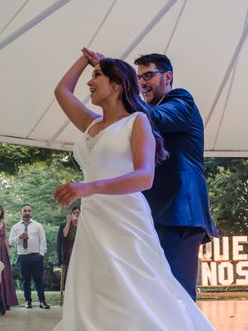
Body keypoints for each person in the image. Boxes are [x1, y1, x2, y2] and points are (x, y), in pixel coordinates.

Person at [20, 50, 230, 331]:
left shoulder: (159, 111)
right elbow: (62, 92)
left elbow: (145, 170)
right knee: (97, 312)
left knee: (159, 309)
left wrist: (89, 185)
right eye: (139, 76)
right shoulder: (97, 123)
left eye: (148, 76)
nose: (90, 83)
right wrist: (90, 64)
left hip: (162, 216)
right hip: (102, 224)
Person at [82, 49, 217, 301]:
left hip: (180, 211)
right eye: (137, 78)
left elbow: (154, 118)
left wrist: (119, 82)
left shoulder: (180, 100)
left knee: (177, 293)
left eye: (148, 76)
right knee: (152, 294)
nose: (142, 83)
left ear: (168, 76)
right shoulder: (137, 116)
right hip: (151, 212)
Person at [8, 205, 50, 309]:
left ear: (32, 213)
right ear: (21, 213)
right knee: (25, 280)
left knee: (38, 280)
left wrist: (41, 255)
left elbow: (43, 241)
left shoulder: (38, 226)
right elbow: (11, 242)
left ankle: (42, 301)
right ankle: (28, 301)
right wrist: (19, 237)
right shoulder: (15, 227)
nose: (27, 212)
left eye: (29, 211)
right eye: (25, 211)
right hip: (23, 257)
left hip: (36, 256)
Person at [57, 205, 80, 305]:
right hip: (69, 255)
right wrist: (69, 222)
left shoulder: (84, 225)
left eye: (78, 213)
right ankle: (68, 299)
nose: (76, 215)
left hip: (81, 254)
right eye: (74, 213)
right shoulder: (65, 225)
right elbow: (64, 236)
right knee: (68, 278)